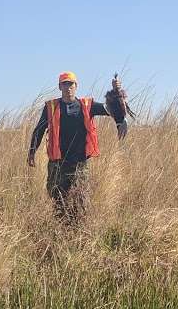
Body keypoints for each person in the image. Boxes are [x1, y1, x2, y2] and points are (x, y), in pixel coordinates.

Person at [27, 72, 128, 220]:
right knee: (57, 200)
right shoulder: (51, 107)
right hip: (57, 164)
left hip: (80, 164)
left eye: (71, 84)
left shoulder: (88, 105)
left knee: (80, 202)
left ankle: (79, 233)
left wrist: (116, 92)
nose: (68, 88)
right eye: (65, 84)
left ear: (76, 86)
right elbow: (39, 130)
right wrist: (31, 152)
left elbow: (111, 109)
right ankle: (61, 233)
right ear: (60, 87)